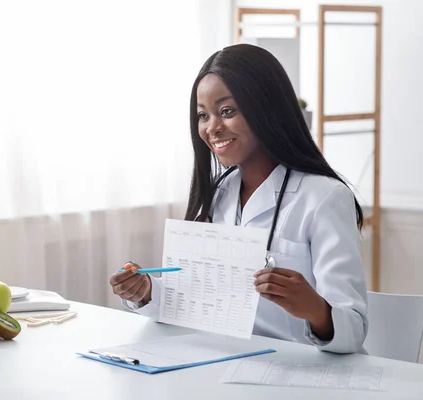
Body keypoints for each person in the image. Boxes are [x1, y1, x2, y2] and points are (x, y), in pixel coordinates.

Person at [110, 44, 368, 354]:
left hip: (303, 375)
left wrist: (314, 309)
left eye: (227, 111)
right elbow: (196, 300)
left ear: (266, 109)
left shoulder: (325, 198)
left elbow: (354, 330)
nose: (212, 127)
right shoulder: (220, 193)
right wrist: (146, 293)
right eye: (203, 115)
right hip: (229, 365)